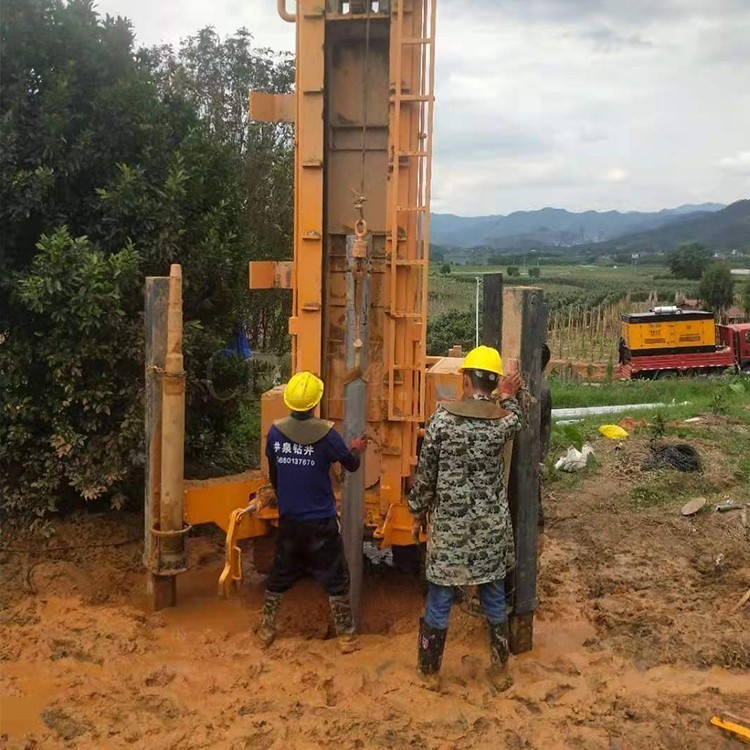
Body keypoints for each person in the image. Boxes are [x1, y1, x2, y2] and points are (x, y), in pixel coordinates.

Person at [408, 346, 523, 692]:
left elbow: (426, 475)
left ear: (467, 378)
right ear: (494, 382)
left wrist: (416, 511)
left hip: (450, 529)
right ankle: (500, 670)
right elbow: (516, 416)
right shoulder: (504, 423)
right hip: (490, 529)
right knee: (493, 596)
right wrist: (509, 395)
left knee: (440, 598)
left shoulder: (442, 421)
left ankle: (429, 673)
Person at [249, 371, 367, 653]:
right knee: (336, 577)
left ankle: (266, 629)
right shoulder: (327, 435)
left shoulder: (275, 433)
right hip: (321, 523)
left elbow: (276, 475)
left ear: (290, 402)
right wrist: (356, 449)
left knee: (279, 575)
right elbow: (350, 465)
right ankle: (347, 638)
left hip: (290, 520)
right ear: (316, 404)